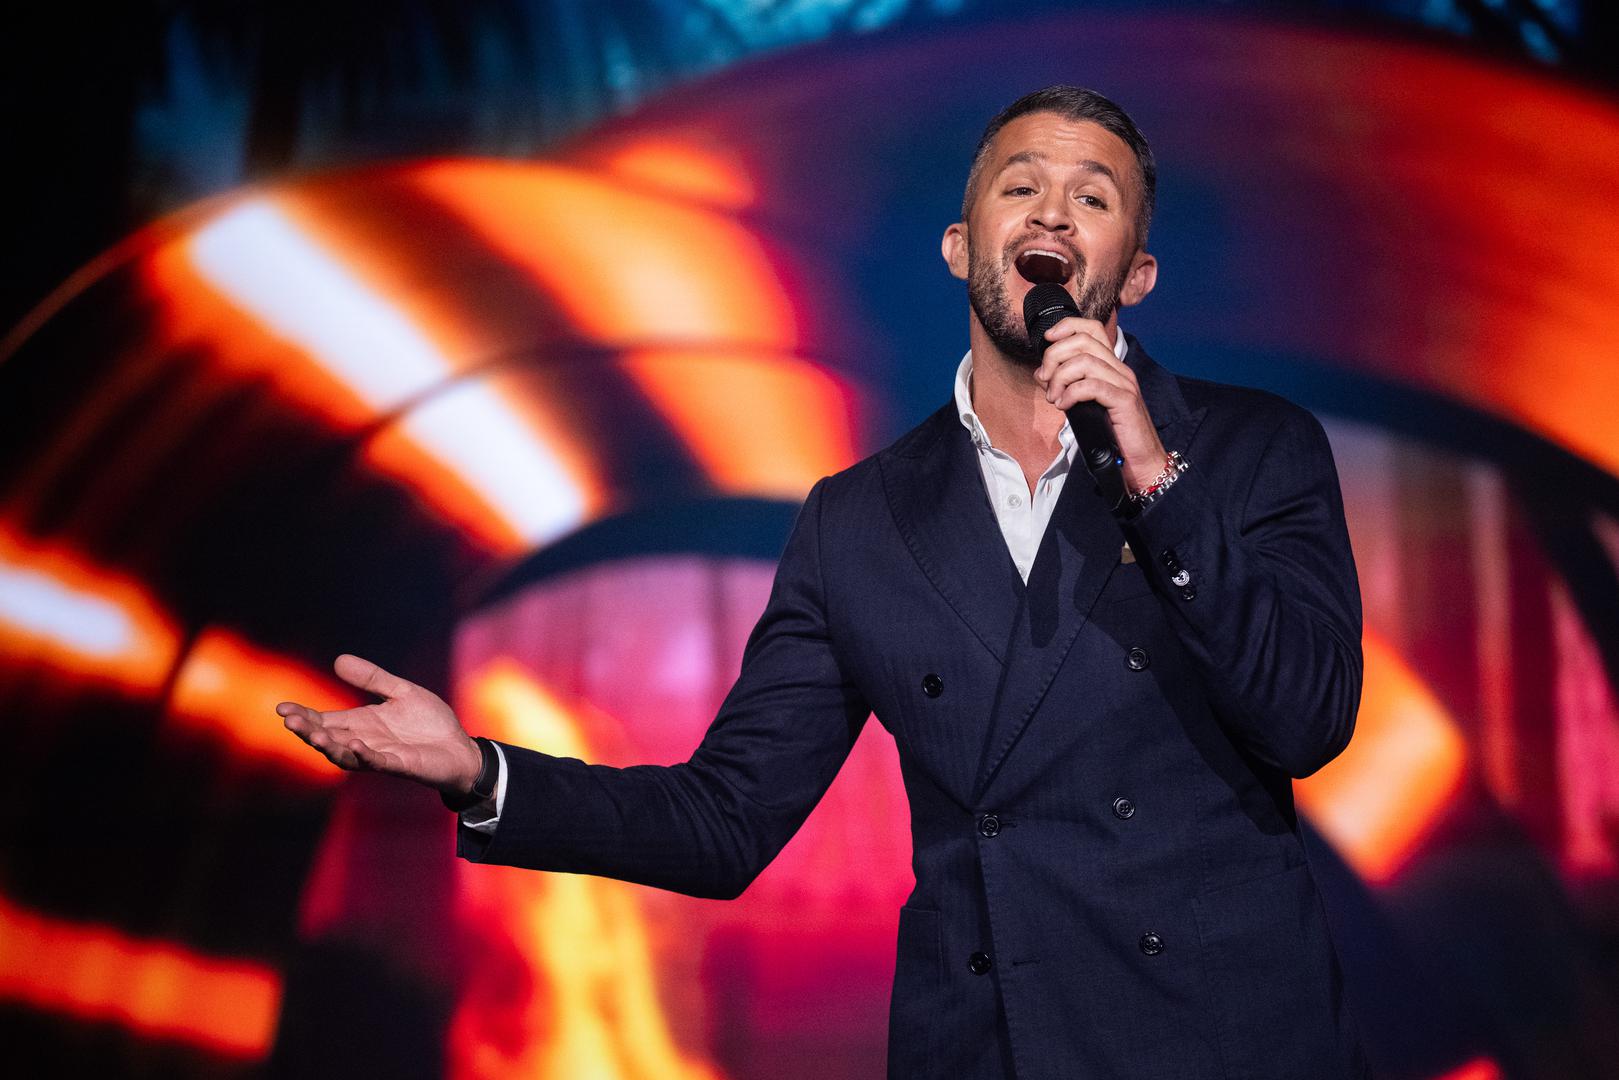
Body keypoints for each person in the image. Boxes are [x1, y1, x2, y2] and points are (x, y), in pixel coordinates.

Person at [279, 86, 1370, 1079]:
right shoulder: (859, 519)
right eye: (1019, 186)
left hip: (1220, 1041)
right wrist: (479, 772)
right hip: (990, 1047)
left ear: (1133, 273)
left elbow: (1306, 719)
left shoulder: (1250, 449)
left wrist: (1153, 478)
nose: (1051, 212)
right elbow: (724, 819)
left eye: (1092, 197)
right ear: (960, 247)